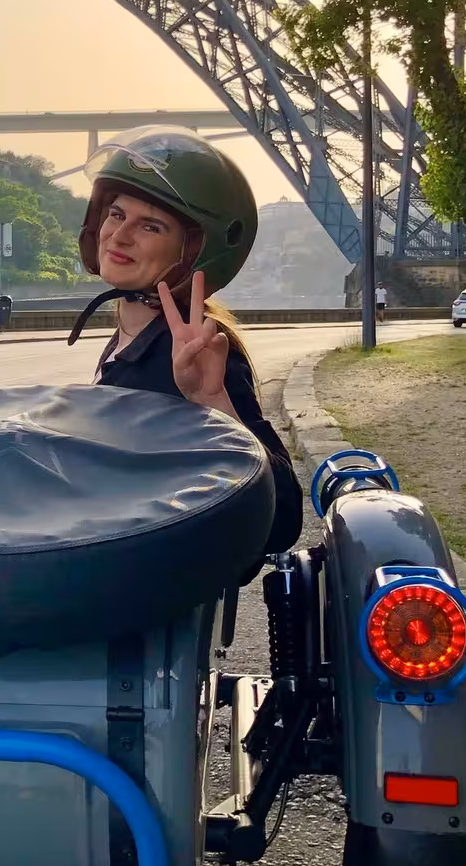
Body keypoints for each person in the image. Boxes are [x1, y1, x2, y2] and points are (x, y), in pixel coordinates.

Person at [71, 127, 302, 555]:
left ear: (191, 252)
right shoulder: (132, 340)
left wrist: (214, 401)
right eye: (117, 214)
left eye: (151, 226)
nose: (119, 236)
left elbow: (281, 521)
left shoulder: (194, 353)